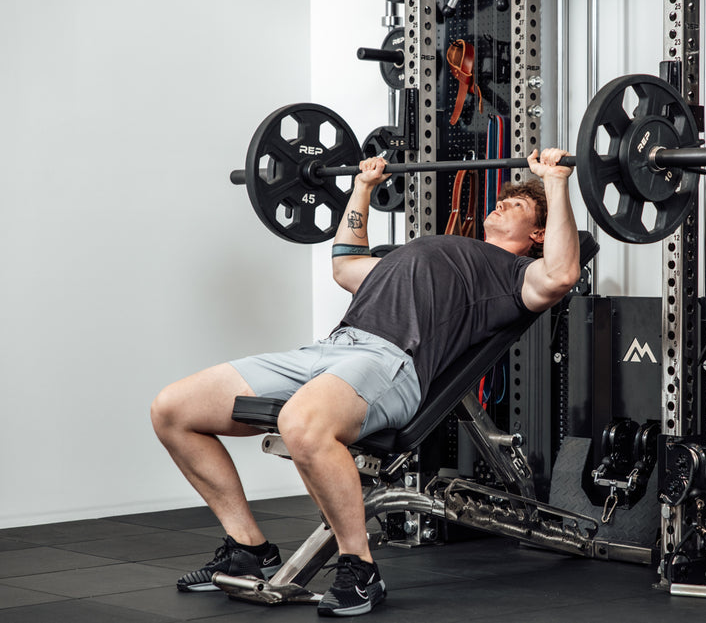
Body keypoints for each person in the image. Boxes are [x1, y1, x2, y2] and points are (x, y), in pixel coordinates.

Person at [150, 148, 579, 617]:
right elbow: (345, 264)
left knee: (302, 424)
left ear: (538, 234)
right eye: (502, 200)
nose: (500, 205)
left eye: (516, 205)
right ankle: (247, 548)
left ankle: (360, 568)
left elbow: (561, 274)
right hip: (329, 350)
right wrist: (363, 187)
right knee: (173, 410)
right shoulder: (427, 252)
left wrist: (555, 182)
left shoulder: (515, 276)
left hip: (390, 363)